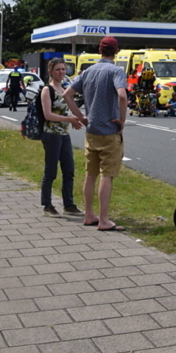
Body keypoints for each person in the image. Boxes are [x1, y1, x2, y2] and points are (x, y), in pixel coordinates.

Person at [63, 36, 127, 232]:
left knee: (90, 174)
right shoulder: (116, 71)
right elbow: (122, 95)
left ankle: (89, 214)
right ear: (116, 52)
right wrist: (122, 120)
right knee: (107, 175)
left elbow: (67, 94)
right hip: (109, 130)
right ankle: (104, 219)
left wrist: (80, 116)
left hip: (91, 130)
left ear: (100, 51)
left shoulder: (88, 71)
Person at [39, 58, 84, 217]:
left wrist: (73, 118)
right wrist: (69, 119)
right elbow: (48, 115)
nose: (61, 72)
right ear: (51, 71)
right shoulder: (47, 90)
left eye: (63, 69)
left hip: (64, 135)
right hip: (51, 135)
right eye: (58, 69)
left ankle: (69, 205)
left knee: (69, 170)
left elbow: (64, 111)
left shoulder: (64, 89)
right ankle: (47, 205)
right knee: (51, 171)